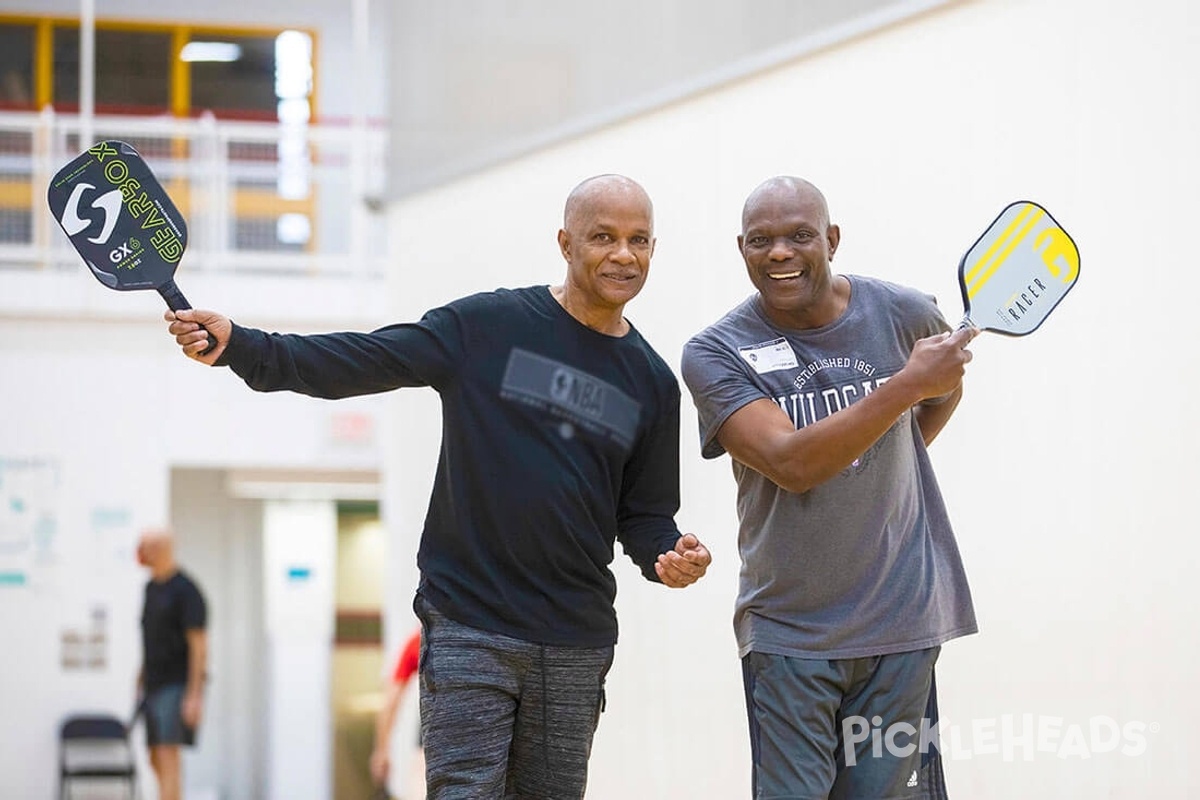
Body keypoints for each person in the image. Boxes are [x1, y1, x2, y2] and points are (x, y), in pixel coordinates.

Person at [164, 174, 712, 799]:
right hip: (471, 622)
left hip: (574, 639)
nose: (623, 254)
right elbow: (364, 358)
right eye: (603, 237)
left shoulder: (651, 381)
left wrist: (668, 554)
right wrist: (245, 347)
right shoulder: (487, 326)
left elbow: (643, 515)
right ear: (565, 242)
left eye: (638, 239)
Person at [680, 176, 978, 799]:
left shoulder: (904, 312)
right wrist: (903, 388)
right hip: (791, 635)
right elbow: (790, 463)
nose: (780, 253)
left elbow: (944, 387)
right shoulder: (716, 351)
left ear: (832, 240)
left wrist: (882, 458)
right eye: (761, 240)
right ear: (742, 250)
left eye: (799, 236)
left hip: (903, 621)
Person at [135, 527, 208, 800]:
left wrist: (194, 695)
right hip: (153, 684)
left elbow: (199, 646)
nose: (140, 554)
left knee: (168, 754)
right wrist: (139, 679)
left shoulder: (186, 591)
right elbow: (150, 639)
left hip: (176, 685)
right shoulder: (151, 589)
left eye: (144, 547)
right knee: (154, 755)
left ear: (161, 549)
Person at [370, 628, 423, 798]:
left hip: (433, 729)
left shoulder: (421, 640)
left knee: (420, 783)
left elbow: (391, 702)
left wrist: (381, 751)